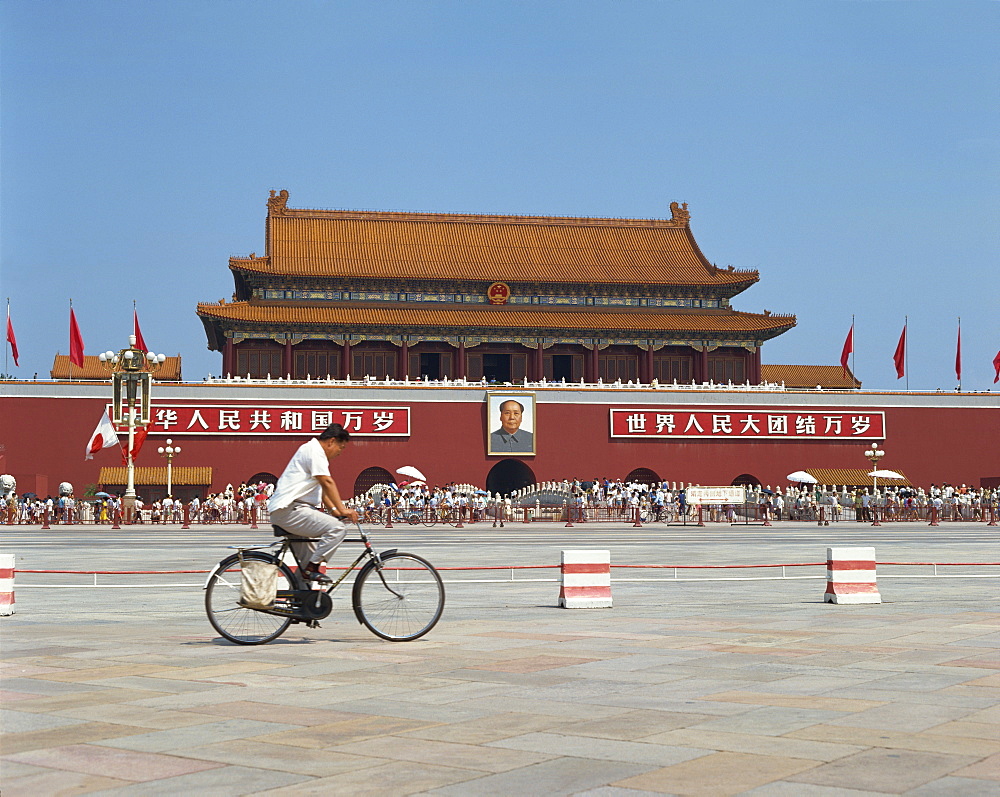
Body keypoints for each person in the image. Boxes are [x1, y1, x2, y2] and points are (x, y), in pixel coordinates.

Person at [267, 423, 358, 583]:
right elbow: (327, 482)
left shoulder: (311, 451)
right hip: (290, 510)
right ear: (331, 441)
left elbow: (322, 490)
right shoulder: (315, 451)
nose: (340, 453)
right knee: (337, 529)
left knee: (305, 566)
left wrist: (335, 511)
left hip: (290, 511)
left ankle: (301, 600)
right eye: (341, 447)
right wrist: (343, 509)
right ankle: (312, 569)